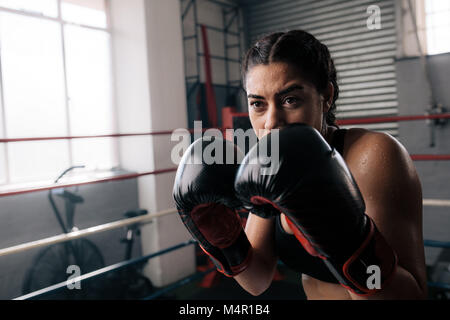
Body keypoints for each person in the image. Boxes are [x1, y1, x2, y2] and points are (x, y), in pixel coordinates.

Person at [173, 30, 427, 300]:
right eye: (258, 104)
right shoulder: (271, 165)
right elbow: (256, 280)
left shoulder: (372, 155)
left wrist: (346, 240)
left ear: (326, 96)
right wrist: (225, 240)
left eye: (290, 100)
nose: (271, 121)